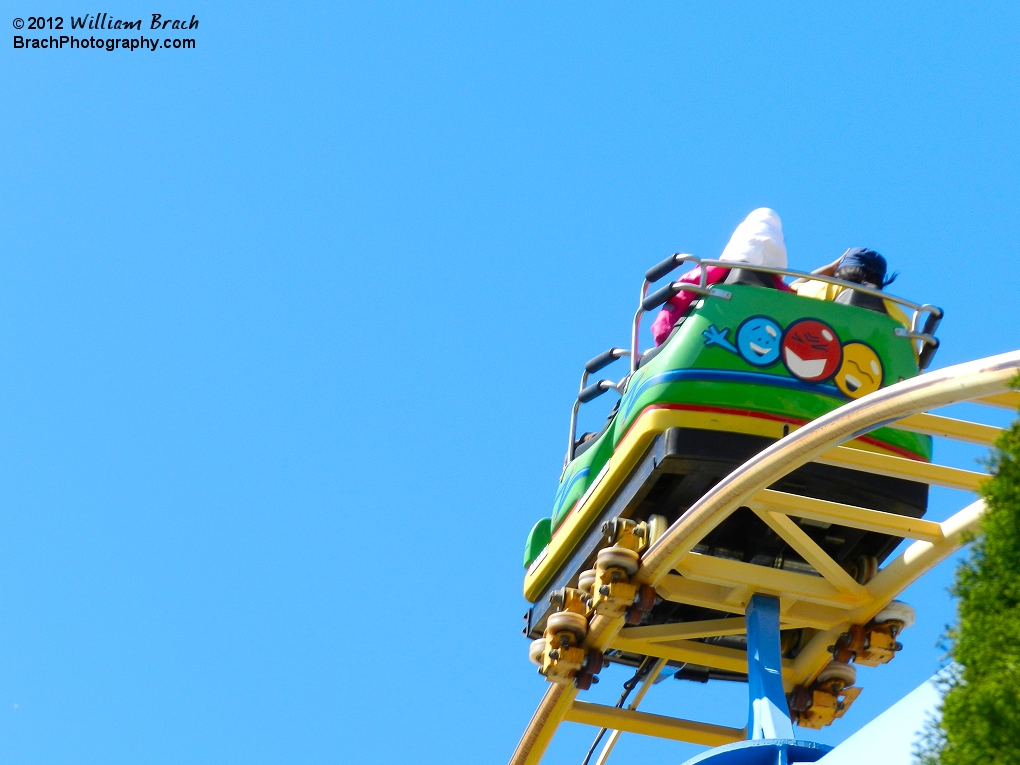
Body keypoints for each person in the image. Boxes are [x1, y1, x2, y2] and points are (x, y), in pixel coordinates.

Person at [650, 208, 792, 346]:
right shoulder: (786, 295)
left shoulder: (709, 271)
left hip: (699, 342)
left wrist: (664, 338)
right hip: (761, 354)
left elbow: (679, 300)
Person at [792, 247, 908, 326]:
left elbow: (784, 292)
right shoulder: (898, 315)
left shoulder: (824, 288)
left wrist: (830, 267)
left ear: (838, 272)